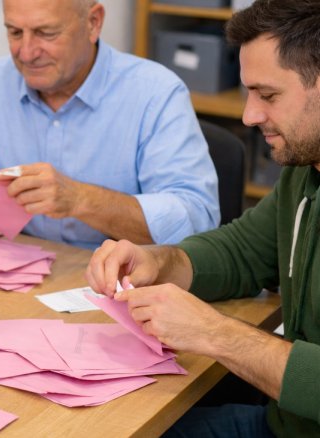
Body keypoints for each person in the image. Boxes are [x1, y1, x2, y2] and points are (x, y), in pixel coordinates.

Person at [86, 1, 320, 435]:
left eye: (268, 96)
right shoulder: (304, 174)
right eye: (248, 92)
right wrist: (159, 261)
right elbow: (240, 251)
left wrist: (214, 333)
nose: (250, 116)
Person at [0, 0, 219, 249]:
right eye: (14, 32)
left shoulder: (156, 93)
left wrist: (82, 200)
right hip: (6, 280)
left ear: (93, 22)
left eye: (46, 33)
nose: (26, 52)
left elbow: (196, 219)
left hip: (118, 287)